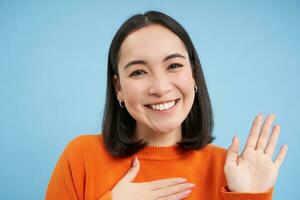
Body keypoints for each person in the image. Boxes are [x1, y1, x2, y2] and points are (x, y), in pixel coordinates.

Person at [45, 11, 288, 200]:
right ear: (118, 87)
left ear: (193, 75)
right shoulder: (81, 157)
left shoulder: (230, 170)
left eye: (173, 66)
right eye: (139, 71)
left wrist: (248, 197)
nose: (160, 88)